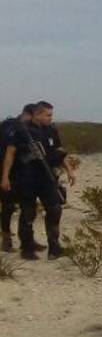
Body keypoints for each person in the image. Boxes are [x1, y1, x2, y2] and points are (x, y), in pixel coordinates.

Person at [1, 101, 75, 260]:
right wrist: (5, 176)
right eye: (48, 115)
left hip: (47, 177)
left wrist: (69, 170)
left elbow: (59, 150)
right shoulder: (22, 130)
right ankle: (27, 248)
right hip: (26, 178)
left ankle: (54, 248)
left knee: (55, 209)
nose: (50, 118)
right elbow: (10, 153)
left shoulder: (51, 130)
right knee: (28, 212)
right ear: (37, 114)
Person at [0, 104, 41, 252]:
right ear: (30, 114)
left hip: (25, 174)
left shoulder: (29, 128)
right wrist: (5, 176)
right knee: (8, 206)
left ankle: (27, 240)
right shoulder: (10, 126)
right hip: (8, 173)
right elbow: (8, 153)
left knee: (28, 207)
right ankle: (6, 239)